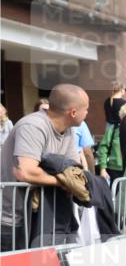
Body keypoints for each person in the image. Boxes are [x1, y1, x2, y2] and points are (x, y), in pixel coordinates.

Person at [1, 84, 87, 250]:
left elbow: (74, 171)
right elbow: (26, 172)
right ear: (73, 112)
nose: (87, 113)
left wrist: (68, 179)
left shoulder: (68, 129)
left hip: (43, 217)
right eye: (86, 109)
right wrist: (63, 182)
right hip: (11, 220)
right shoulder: (33, 126)